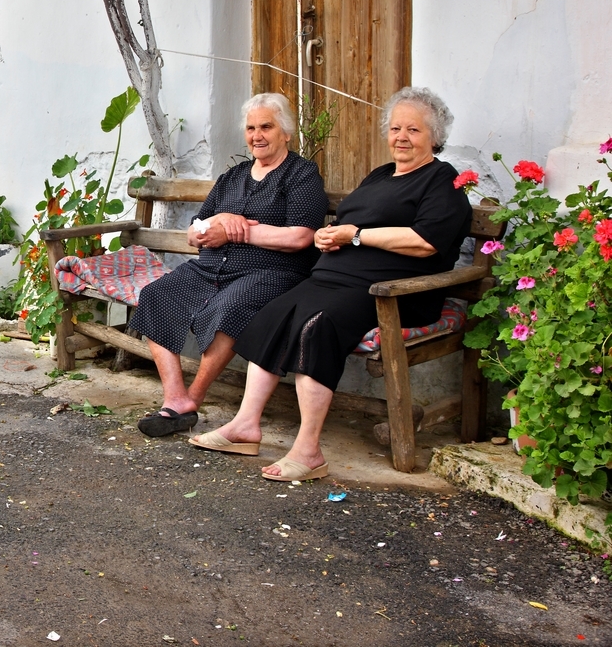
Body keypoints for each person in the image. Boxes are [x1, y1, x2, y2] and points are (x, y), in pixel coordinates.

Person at [192, 87, 473, 480]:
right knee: (273, 314)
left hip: (392, 291)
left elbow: (425, 243)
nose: (402, 137)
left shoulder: (442, 182)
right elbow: (350, 226)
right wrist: (330, 235)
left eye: (414, 130)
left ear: (434, 137)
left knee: (316, 326)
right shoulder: (380, 175)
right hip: (333, 278)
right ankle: (244, 426)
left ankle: (308, 452)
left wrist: (355, 236)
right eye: (395, 128)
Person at [131, 93, 329, 437]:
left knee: (231, 308)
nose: (257, 135)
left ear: (285, 132)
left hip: (271, 271)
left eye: (266, 126)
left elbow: (300, 237)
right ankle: (175, 397)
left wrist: (240, 232)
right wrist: (220, 219)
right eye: (251, 128)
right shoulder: (232, 177)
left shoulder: (301, 174)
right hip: (210, 268)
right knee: (156, 294)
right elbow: (196, 232)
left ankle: (193, 397)